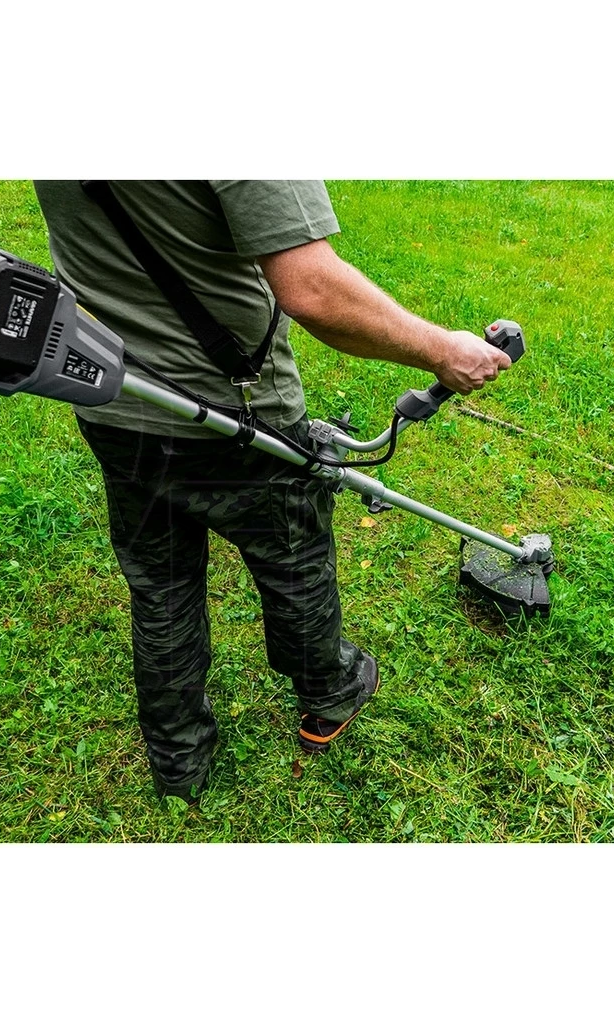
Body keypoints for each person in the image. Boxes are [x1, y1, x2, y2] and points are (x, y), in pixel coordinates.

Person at [32, 180, 511, 802]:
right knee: (293, 560)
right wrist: (444, 350)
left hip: (114, 397)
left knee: (160, 583)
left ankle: (178, 758)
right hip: (234, 410)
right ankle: (331, 694)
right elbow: (312, 289)